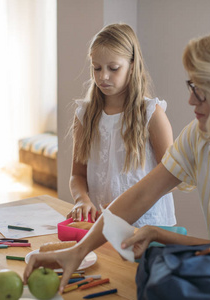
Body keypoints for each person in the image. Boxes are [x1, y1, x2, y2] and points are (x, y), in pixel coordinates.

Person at [24, 26, 210, 295]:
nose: (191, 100)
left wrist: (159, 234)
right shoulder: (201, 135)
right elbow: (143, 193)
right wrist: (80, 249)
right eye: (191, 86)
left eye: (200, 90)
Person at [67, 23, 176, 228]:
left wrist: (127, 204)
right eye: (96, 68)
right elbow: (77, 175)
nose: (103, 76)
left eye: (113, 68)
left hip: (147, 226)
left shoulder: (151, 114)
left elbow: (171, 179)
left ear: (132, 65)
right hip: (102, 225)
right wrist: (82, 199)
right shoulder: (85, 115)